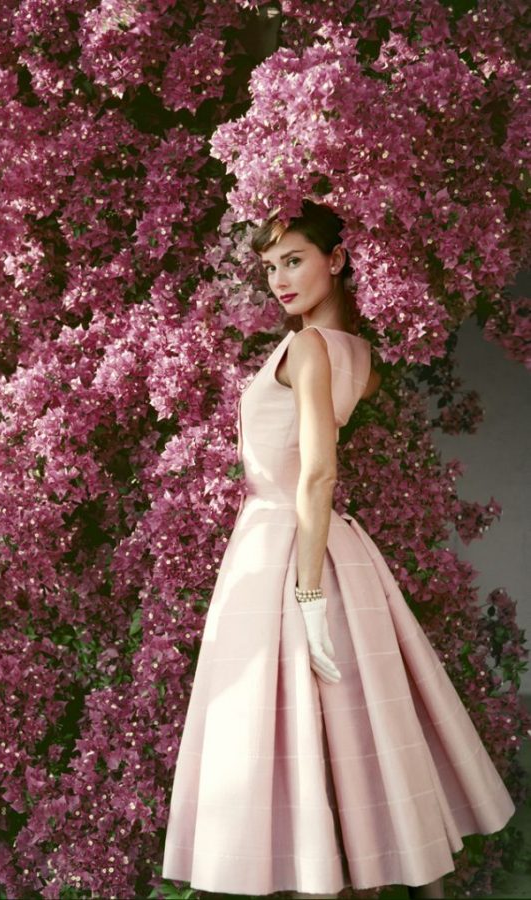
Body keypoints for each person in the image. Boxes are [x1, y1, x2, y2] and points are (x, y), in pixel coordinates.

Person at [161, 200, 515, 899]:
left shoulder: (310, 348)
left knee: (285, 731)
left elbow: (319, 471)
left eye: (294, 259)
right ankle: (365, 867)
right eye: (269, 267)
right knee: (352, 732)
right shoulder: (361, 355)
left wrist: (309, 592)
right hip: (326, 543)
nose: (279, 280)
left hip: (286, 547)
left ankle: (312, 874)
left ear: (338, 259)